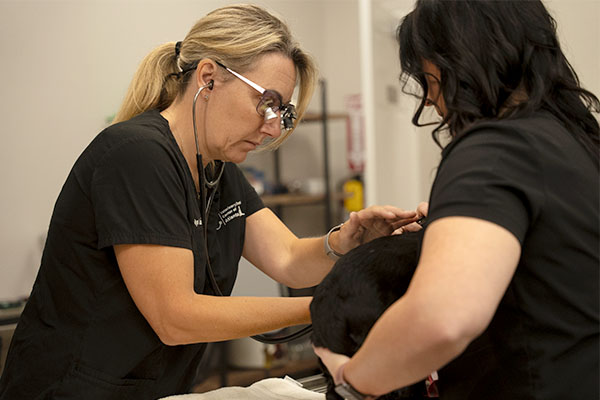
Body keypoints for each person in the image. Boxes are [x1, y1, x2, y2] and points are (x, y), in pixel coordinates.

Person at [0, 5, 423, 399]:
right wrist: (327, 307)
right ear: (208, 78)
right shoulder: (137, 154)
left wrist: (347, 242)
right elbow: (176, 316)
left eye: (282, 112)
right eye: (267, 103)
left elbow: (289, 258)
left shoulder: (216, 169)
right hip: (74, 389)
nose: (273, 128)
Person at [314, 1, 599, 399]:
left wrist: (354, 382)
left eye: (425, 76)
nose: (430, 100)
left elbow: (442, 319)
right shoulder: (579, 143)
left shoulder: (494, 149)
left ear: (455, 58)